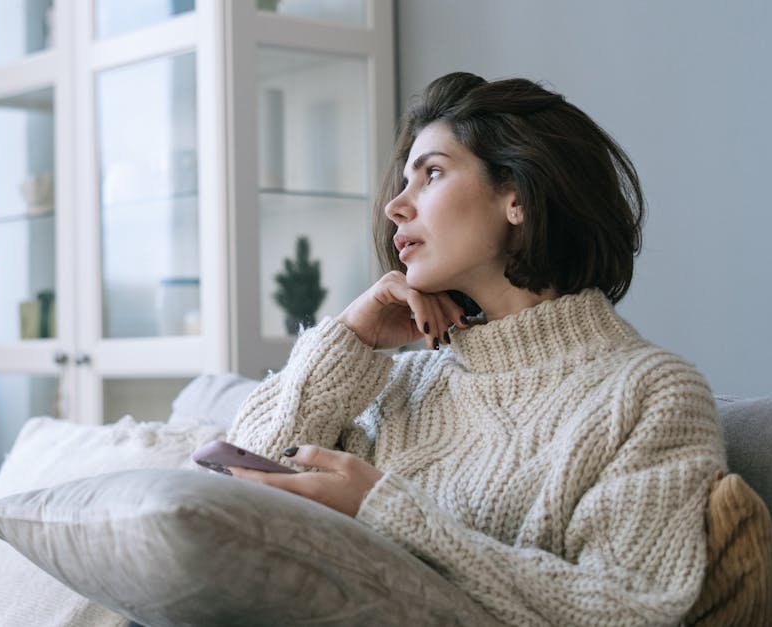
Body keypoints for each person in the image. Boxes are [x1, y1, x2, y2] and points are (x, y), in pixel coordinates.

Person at [226, 72, 726, 626]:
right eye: (404, 181)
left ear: (516, 196)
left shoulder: (649, 392)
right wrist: (350, 338)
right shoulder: (402, 382)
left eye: (431, 174)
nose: (395, 205)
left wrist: (386, 510)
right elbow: (224, 507)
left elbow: (628, 612)